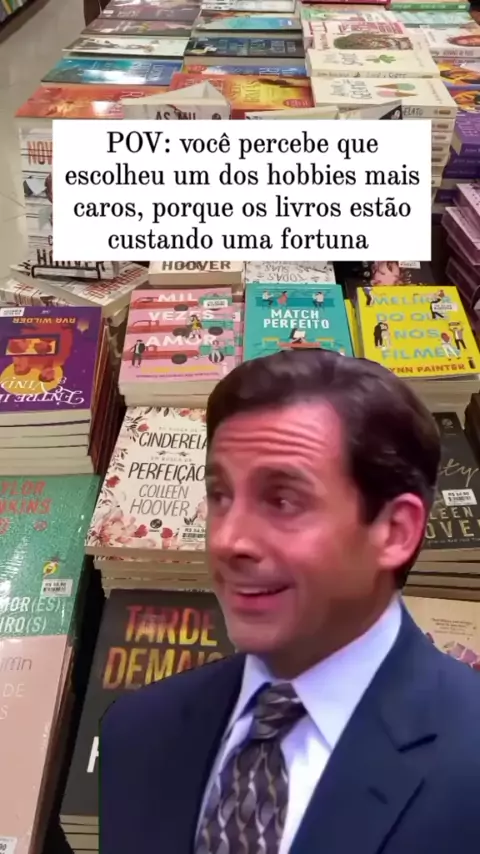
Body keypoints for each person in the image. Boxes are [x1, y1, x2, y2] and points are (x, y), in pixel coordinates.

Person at [100, 349, 480, 854]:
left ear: (395, 531)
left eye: (282, 501)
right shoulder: (136, 734)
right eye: (220, 495)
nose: (228, 541)